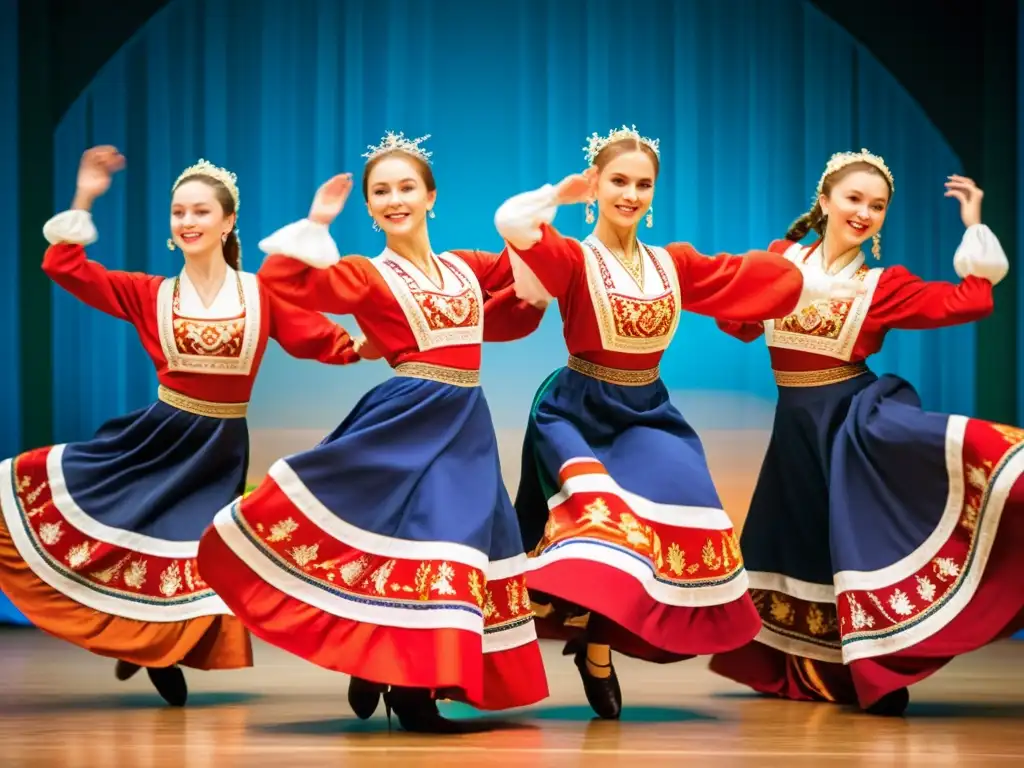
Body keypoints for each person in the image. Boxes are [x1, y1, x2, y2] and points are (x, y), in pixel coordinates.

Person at [493, 125, 867, 719]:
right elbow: (512, 224)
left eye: (643, 184)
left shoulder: (673, 265)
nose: (631, 194)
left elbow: (747, 278)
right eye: (618, 181)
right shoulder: (572, 257)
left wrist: (817, 277)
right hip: (577, 411)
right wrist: (559, 196)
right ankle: (524, 654)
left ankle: (598, 645)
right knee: (602, 529)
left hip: (646, 413)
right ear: (597, 185)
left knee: (687, 511)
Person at [197, 132, 550, 733]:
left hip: (465, 425)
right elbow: (289, 284)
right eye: (380, 191)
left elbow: (524, 290)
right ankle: (409, 691)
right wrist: (315, 224)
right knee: (416, 539)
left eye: (406, 187)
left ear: (431, 197)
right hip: (406, 422)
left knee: (454, 546)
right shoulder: (366, 274)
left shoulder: (467, 268)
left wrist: (541, 218)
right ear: (367, 207)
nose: (394, 199)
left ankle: (388, 663)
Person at [0, 146, 370, 706]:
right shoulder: (151, 293)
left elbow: (324, 340)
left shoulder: (259, 294)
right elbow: (64, 267)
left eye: (200, 211)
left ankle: (153, 647)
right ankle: (144, 646)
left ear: (228, 222)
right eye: (179, 213)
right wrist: (86, 194)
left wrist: (377, 343)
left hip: (218, 447)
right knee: (126, 536)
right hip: (156, 439)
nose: (188, 222)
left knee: (193, 555)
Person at [707, 148, 1022, 716]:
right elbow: (739, 323)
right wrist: (751, 282)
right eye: (853, 199)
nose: (864, 212)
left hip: (851, 425)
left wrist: (973, 225)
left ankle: (873, 672)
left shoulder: (882, 284)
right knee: (802, 545)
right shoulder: (783, 261)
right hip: (796, 427)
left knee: (856, 544)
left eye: (876, 206)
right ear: (824, 201)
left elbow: (969, 301)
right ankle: (810, 671)